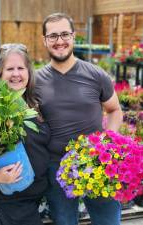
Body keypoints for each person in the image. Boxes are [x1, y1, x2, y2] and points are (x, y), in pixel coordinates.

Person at [35, 13, 123, 225]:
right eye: (53, 36)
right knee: (64, 222)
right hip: (56, 166)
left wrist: (106, 142)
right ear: (44, 40)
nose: (59, 41)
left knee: (108, 221)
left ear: (74, 36)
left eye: (65, 34)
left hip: (97, 164)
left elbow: (114, 110)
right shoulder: (35, 81)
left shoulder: (96, 74)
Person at [0, 43, 50, 225]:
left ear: (29, 71)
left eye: (21, 68)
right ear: (0, 74)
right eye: (9, 69)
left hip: (35, 192)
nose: (16, 74)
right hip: (11, 197)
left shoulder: (34, 102)